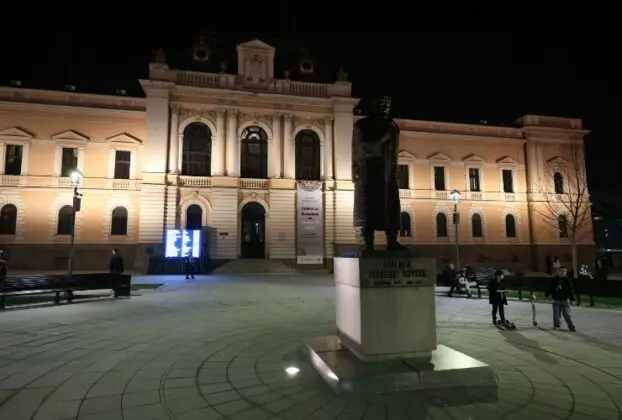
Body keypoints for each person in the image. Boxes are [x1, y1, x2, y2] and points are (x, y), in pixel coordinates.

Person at [545, 266, 576, 331]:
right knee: (556, 314)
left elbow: (570, 290)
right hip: (556, 299)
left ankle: (571, 326)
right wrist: (547, 295)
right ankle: (557, 325)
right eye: (562, 271)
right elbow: (550, 287)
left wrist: (572, 299)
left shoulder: (567, 280)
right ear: (558, 271)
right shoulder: (554, 279)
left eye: (565, 271)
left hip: (564, 299)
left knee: (567, 314)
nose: (563, 273)